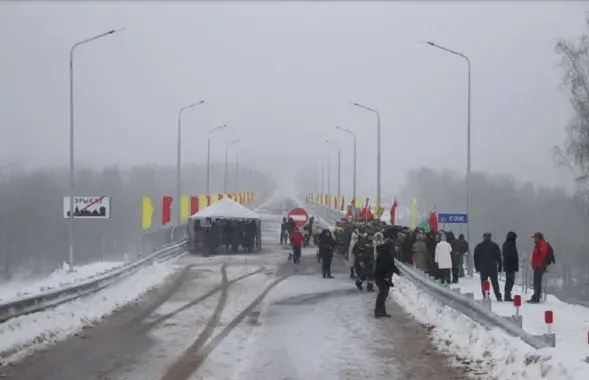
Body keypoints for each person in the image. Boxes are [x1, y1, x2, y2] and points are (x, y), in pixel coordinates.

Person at [373, 237, 401, 318]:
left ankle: (382, 311)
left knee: (384, 294)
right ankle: (377, 311)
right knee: (382, 294)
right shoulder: (384, 253)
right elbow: (384, 266)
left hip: (384, 276)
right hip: (381, 276)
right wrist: (386, 276)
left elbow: (391, 265)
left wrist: (396, 271)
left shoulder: (386, 252)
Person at [474, 232, 503, 301]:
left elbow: (476, 257)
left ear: (483, 237)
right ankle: (498, 296)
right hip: (492, 267)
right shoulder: (495, 246)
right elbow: (499, 257)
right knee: (495, 282)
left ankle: (485, 295)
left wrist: (477, 267)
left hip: (483, 267)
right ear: (490, 237)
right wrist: (500, 267)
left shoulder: (479, 246)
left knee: (484, 282)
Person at [528, 232, 550, 303]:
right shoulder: (539, 244)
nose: (534, 239)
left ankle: (536, 297)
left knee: (537, 282)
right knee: (536, 281)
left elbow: (541, 254)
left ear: (538, 237)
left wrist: (537, 264)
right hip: (537, 266)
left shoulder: (542, 244)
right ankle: (536, 296)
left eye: (535, 237)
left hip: (539, 266)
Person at [502, 231, 519, 302]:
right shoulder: (510, 245)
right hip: (510, 266)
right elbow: (512, 256)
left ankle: (507, 294)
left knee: (509, 281)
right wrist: (515, 266)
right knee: (510, 281)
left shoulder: (507, 244)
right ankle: (507, 295)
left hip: (508, 265)